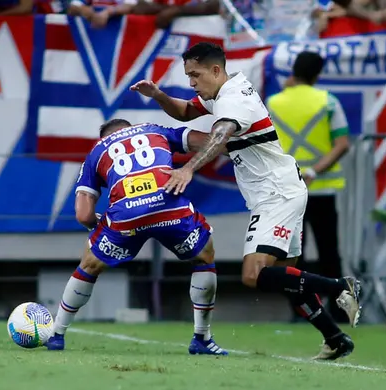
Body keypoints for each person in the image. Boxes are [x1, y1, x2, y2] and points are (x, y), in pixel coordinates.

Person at [130, 42, 361, 360]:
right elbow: (184, 111)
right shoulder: (224, 91)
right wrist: (158, 96)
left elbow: (220, 135)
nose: (192, 82)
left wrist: (187, 168)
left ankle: (341, 287)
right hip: (284, 188)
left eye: (195, 75)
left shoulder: (234, 100)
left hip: (274, 194)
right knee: (286, 278)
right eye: (188, 76)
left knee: (253, 274)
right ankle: (335, 338)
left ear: (215, 70)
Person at [46, 119, 227, 355]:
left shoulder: (97, 151)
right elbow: (210, 143)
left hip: (126, 215)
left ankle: (57, 335)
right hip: (168, 205)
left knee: (89, 265)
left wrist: (98, 226)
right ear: (130, 128)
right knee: (204, 256)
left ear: (105, 137)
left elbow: (83, 214)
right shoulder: (155, 130)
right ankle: (202, 337)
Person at [267, 51, 351, 324]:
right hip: (321, 188)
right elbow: (342, 144)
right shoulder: (328, 102)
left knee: (292, 256)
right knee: (329, 253)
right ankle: (340, 310)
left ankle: (300, 310)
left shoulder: (274, 102)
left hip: (287, 192)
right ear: (317, 74)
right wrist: (315, 170)